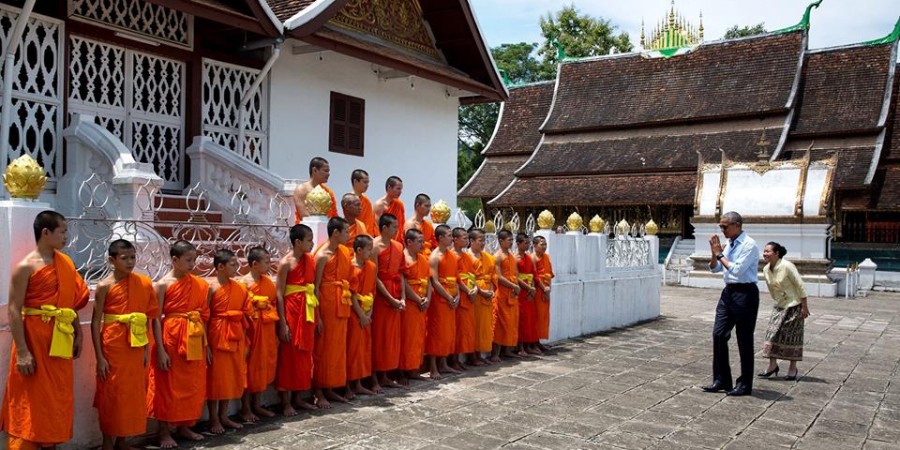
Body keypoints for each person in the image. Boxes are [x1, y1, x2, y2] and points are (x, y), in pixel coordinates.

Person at [1, 211, 90, 449]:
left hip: (60, 339)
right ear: (46, 233)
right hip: (34, 340)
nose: (66, 237)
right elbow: (13, 310)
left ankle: (50, 442)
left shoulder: (66, 262)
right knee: (31, 395)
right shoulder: (26, 267)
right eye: (62, 231)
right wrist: (22, 351)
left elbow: (69, 301)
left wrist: (78, 332)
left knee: (56, 395)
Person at [92, 239, 158, 450]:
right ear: (112, 260)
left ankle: (123, 441)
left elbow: (147, 318)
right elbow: (95, 323)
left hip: (136, 345)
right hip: (113, 345)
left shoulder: (144, 283)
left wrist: (146, 349)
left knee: (132, 395)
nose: (130, 262)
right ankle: (107, 443)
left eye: (132, 257)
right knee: (111, 394)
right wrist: (100, 357)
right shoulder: (104, 286)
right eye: (124, 258)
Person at [147, 240, 210, 448]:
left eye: (194, 260)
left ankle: (184, 426)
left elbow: (203, 315)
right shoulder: (164, 284)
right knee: (167, 386)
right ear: (174, 260)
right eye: (188, 260)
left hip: (194, 337)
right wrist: (161, 349)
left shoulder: (199, 284)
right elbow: (155, 318)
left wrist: (206, 345)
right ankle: (164, 431)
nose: (193, 264)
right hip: (171, 338)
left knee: (191, 383)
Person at [702, 211, 761, 397]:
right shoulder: (729, 244)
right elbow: (716, 268)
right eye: (721, 226)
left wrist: (720, 254)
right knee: (718, 334)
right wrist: (714, 255)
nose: (722, 230)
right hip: (728, 292)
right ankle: (721, 379)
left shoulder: (749, 245)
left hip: (745, 293)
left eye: (725, 226)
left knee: (744, 339)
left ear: (737, 225)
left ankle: (744, 384)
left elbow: (737, 270)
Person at [206, 249, 252, 434]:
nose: (237, 267)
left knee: (230, 377)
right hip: (217, 334)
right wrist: (206, 344)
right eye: (232, 264)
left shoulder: (240, 287)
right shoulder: (211, 288)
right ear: (220, 267)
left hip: (235, 334)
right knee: (216, 379)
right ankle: (214, 419)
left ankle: (224, 416)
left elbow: (246, 312)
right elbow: (205, 316)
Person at [275, 224, 318, 416]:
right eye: (309, 240)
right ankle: (285, 402)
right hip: (292, 312)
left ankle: (299, 398)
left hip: (307, 311)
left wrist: (319, 317)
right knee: (289, 356)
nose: (312, 243)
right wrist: (282, 323)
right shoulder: (286, 263)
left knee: (304, 356)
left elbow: (314, 289)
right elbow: (279, 294)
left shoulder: (310, 260)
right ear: (298, 242)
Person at [313, 217, 353, 408]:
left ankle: (331, 388)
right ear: (335, 233)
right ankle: (319, 392)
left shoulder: (344, 252)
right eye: (346, 231)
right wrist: (318, 316)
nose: (349, 235)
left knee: (337, 348)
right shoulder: (322, 255)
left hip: (341, 303)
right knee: (323, 349)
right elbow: (315, 286)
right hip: (327, 305)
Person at [759, 242, 809, 381]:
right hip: (779, 306)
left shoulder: (787, 266)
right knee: (772, 335)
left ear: (776, 253)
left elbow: (800, 285)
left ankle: (792, 369)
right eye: (764, 251)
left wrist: (804, 306)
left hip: (794, 305)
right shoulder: (766, 269)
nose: (765, 254)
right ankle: (772, 366)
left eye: (768, 251)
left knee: (792, 337)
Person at [241, 247, 279, 422]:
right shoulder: (244, 284)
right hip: (252, 330)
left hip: (267, 329)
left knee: (263, 366)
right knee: (250, 368)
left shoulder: (268, 282)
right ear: (254, 264)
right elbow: (242, 310)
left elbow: (273, 303)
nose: (269, 264)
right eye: (266, 261)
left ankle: (257, 404)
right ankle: (246, 407)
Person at [371, 214, 406, 389]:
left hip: (395, 291)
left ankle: (386, 375)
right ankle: (375, 377)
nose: (396, 230)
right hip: (381, 296)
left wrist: (402, 298)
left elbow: (400, 273)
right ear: (384, 228)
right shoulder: (374, 247)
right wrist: (390, 299)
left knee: (391, 338)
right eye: (393, 226)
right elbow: (374, 276)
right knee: (379, 336)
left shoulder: (399, 246)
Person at [425, 225, 460, 379]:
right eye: (449, 235)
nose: (451, 238)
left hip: (452, 297)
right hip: (440, 299)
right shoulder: (435, 257)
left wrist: (457, 295)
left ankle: (444, 364)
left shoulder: (452, 256)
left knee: (448, 332)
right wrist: (448, 297)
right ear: (440, 238)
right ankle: (433, 368)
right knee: (436, 332)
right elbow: (435, 281)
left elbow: (456, 278)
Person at [400, 228, 431, 383]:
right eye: (419, 241)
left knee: (418, 337)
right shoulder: (403, 259)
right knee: (407, 338)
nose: (423, 244)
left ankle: (414, 368)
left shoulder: (423, 259)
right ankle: (403, 371)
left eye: (423, 241)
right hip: (411, 304)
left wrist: (427, 299)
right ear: (409, 242)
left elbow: (429, 280)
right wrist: (418, 300)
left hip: (422, 302)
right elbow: (403, 284)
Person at [347, 234, 376, 396]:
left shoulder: (371, 266)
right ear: (358, 250)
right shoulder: (351, 267)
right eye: (369, 249)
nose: (371, 253)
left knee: (363, 348)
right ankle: (348, 386)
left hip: (367, 311)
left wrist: (369, 312)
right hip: (354, 312)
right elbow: (351, 294)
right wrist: (361, 315)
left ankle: (358, 383)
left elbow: (371, 290)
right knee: (352, 349)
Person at [491, 230, 520, 362]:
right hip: (502, 294)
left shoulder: (512, 256)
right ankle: (495, 353)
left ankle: (507, 350)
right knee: (500, 324)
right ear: (501, 241)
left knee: (511, 323)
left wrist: (516, 286)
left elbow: (515, 274)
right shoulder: (497, 256)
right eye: (509, 240)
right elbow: (498, 277)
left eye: (512, 240)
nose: (511, 242)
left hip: (512, 294)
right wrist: (513, 286)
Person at [451, 227, 477, 370]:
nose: (467, 240)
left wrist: (474, 289)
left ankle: (462, 358)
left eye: (467, 237)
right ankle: (454, 360)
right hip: (459, 295)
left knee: (466, 329)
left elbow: (472, 275)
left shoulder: (467, 256)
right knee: (457, 329)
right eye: (464, 238)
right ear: (455, 239)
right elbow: (455, 278)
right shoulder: (452, 256)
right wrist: (467, 290)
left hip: (469, 295)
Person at [469, 228, 495, 366]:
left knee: (484, 326)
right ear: (471, 241)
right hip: (475, 295)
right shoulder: (468, 257)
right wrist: (482, 292)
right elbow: (469, 279)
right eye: (480, 240)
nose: (483, 243)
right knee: (475, 326)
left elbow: (492, 276)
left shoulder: (487, 257)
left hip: (487, 293)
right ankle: (473, 356)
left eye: (484, 240)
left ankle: (479, 354)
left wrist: (490, 290)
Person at [293, 156, 339, 222]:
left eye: (328, 171)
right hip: (306, 230)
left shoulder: (328, 192)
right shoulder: (301, 189)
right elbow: (303, 215)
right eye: (325, 171)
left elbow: (334, 215)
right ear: (315, 170)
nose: (328, 174)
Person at [533, 236, 554, 352]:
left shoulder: (546, 257)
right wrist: (543, 288)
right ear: (535, 245)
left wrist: (548, 289)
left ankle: (539, 342)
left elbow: (549, 274)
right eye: (542, 244)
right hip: (537, 290)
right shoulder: (533, 258)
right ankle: (534, 342)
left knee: (543, 317)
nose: (545, 247)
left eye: (545, 244)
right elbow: (534, 277)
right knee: (536, 316)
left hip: (546, 289)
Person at [373, 176, 405, 242]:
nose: (400, 192)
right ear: (389, 187)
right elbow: (377, 227)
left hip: (398, 242)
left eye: (401, 189)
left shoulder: (399, 204)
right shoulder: (379, 205)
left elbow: (402, 225)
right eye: (398, 189)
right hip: (384, 242)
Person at [352, 169, 378, 234]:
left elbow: (372, 222)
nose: (367, 185)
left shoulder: (366, 201)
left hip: (368, 238)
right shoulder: (349, 201)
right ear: (355, 182)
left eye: (368, 182)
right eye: (365, 182)